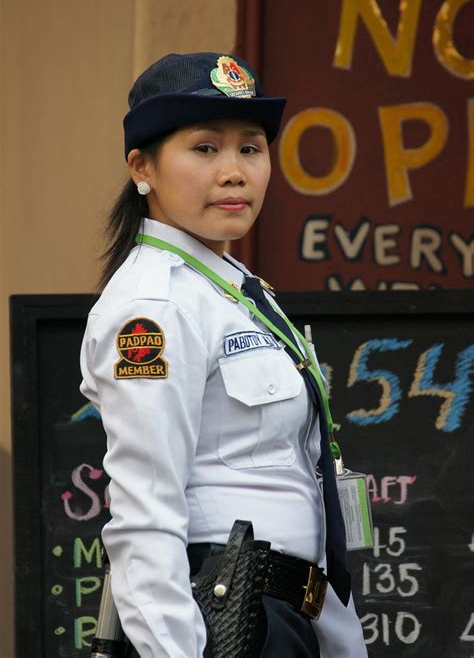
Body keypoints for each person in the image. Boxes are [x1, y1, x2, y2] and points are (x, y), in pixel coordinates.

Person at [80, 52, 368, 658]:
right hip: (222, 619)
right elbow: (144, 512)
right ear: (143, 167)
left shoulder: (231, 288)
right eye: (205, 148)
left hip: (284, 617)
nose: (234, 172)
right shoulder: (153, 307)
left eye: (251, 148)